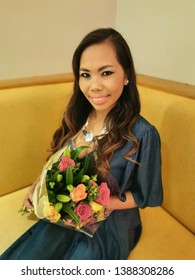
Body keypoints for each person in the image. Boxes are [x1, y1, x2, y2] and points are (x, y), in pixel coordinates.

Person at [0, 27, 163, 260]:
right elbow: (60, 159)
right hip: (66, 216)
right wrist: (40, 186)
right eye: (85, 74)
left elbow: (148, 196)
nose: (94, 86)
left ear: (126, 74)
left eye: (106, 73)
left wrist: (95, 202)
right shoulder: (78, 115)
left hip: (110, 225)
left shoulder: (143, 134)